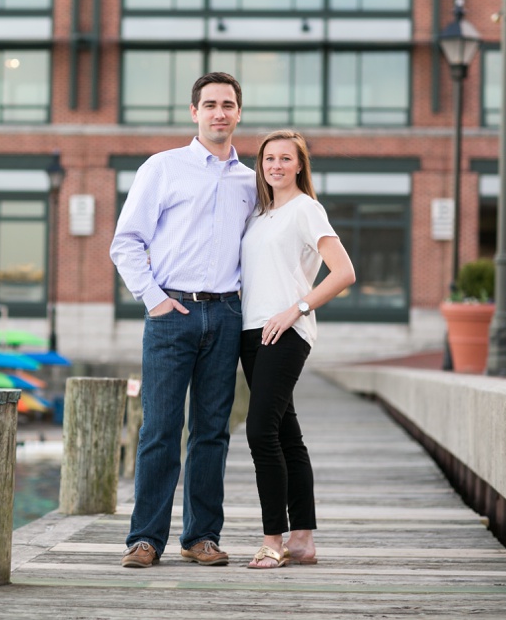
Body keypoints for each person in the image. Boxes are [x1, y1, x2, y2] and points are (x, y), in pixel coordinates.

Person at [110, 72, 257, 568]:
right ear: (194, 112)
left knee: (212, 430)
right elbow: (126, 241)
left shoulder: (249, 180)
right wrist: (153, 299)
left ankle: (200, 538)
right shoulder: (163, 167)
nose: (220, 112)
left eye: (228, 104)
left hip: (227, 312)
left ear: (239, 113)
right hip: (172, 311)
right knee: (160, 428)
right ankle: (144, 539)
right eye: (210, 104)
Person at [238, 129, 356, 569]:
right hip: (251, 332)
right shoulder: (260, 214)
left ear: (300, 165)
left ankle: (273, 539)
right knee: (286, 434)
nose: (276, 166)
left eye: (286, 158)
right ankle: (303, 539)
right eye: (269, 158)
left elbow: (344, 272)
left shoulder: (307, 209)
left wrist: (297, 309)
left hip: (285, 332)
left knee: (259, 431)